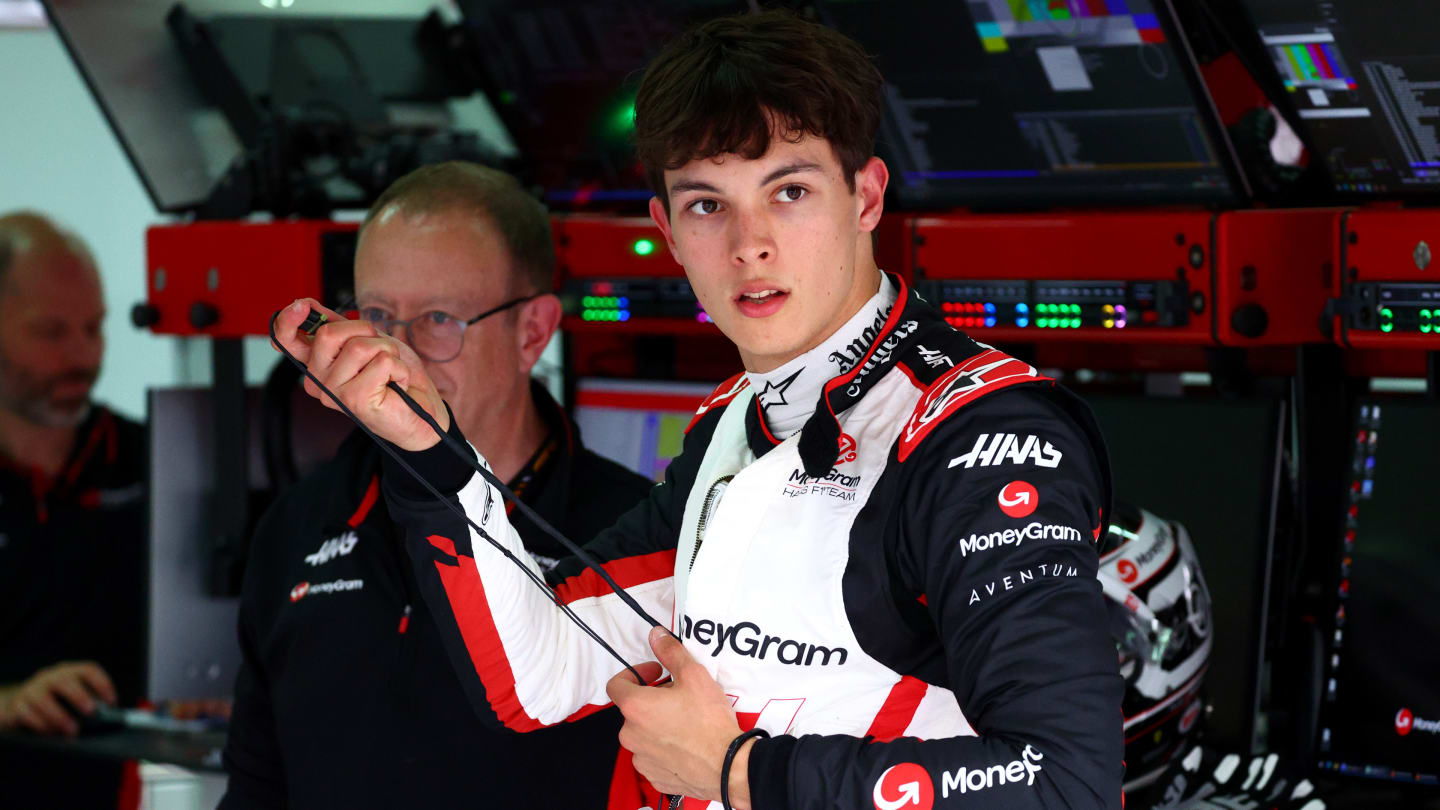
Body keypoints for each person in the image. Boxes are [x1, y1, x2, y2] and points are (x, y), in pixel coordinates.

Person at [274, 11, 1125, 809]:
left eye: (788, 191)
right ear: (670, 231)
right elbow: (541, 673)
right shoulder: (737, 422)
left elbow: (1066, 783)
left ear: (865, 199)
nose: (749, 241)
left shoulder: (982, 437)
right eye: (708, 204)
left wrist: (737, 770)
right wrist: (430, 449)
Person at [220, 162, 654, 809]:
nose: (395, 354)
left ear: (531, 331)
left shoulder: (635, 535)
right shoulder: (298, 524)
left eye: (439, 319)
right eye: (377, 315)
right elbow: (257, 786)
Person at [0, 211, 148, 806]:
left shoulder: (156, 460)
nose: (83, 355)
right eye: (51, 332)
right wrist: (10, 703)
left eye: (95, 327)